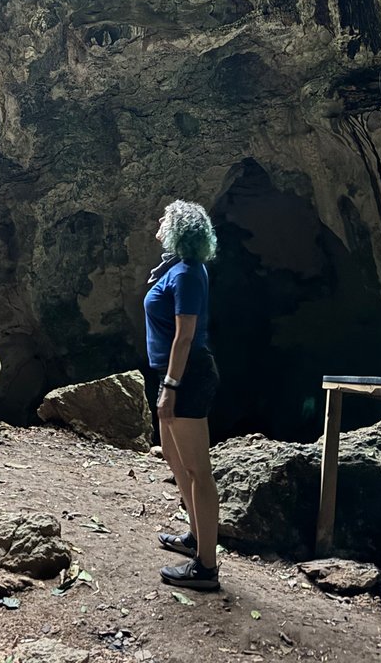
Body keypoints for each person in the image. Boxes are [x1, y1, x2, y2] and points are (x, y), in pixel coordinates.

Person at [143, 199, 221, 591]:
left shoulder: (189, 273)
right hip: (172, 374)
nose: (158, 221)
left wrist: (172, 387)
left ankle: (207, 567)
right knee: (175, 459)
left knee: (197, 470)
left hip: (187, 377)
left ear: (179, 230)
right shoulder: (178, 268)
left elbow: (185, 334)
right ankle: (195, 538)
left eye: (165, 218)